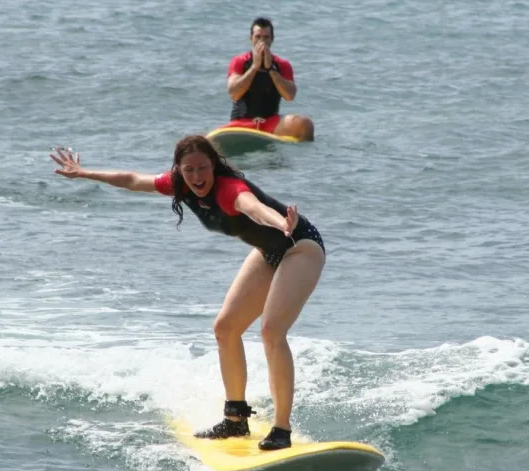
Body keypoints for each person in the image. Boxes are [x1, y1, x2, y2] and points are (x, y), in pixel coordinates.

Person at [50, 136, 325, 450]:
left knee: (272, 331)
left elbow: (254, 209)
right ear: (179, 170)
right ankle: (235, 419)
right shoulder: (178, 184)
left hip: (299, 247)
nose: (197, 177)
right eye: (189, 170)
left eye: (203, 168)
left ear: (214, 165)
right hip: (268, 251)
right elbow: (133, 180)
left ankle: (281, 430)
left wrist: (281, 222)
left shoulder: (229, 189)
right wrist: (85, 173)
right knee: (225, 328)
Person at [223, 17, 315, 141]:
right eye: (258, 37)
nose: (262, 41)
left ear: (272, 39)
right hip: (241, 122)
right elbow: (234, 94)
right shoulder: (240, 61)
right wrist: (254, 67)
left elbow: (289, 96)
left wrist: (270, 69)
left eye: (266, 37)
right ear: (251, 39)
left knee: (306, 125)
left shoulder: (282, 65)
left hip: (271, 122)